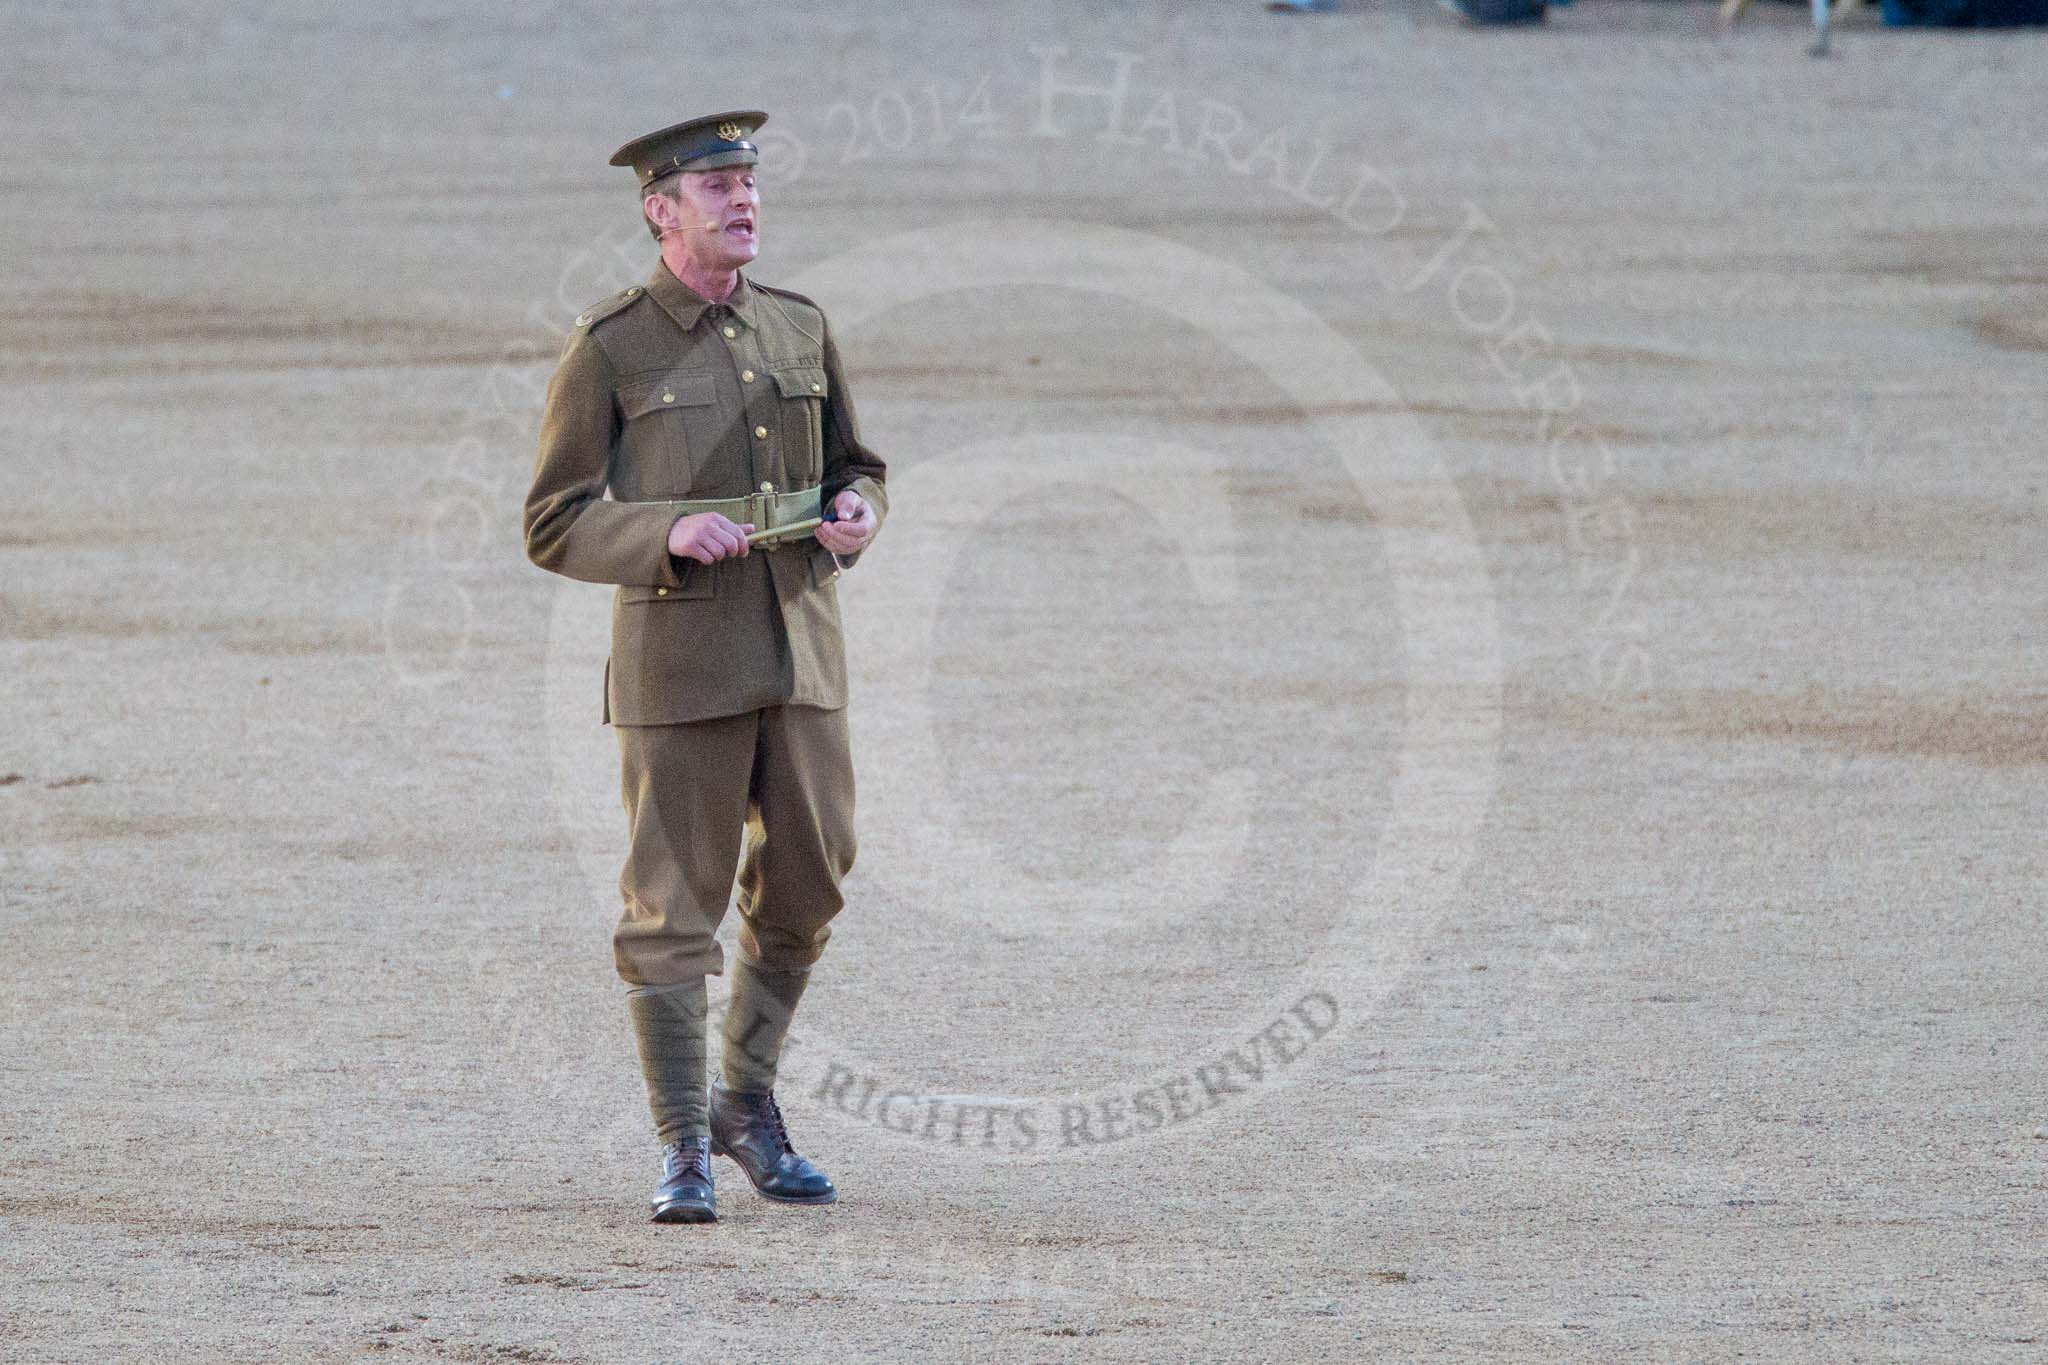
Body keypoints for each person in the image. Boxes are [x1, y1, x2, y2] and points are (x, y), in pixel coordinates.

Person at [523, 110, 887, 1224]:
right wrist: (662, 534)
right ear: (659, 209)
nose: (744, 202)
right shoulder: (611, 345)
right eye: (717, 186)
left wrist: (859, 508)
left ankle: (746, 1103)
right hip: (680, 661)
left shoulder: (796, 325)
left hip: (800, 649)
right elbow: (552, 520)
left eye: (750, 184)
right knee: (671, 906)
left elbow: (854, 463)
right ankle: (683, 1141)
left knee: (811, 881)